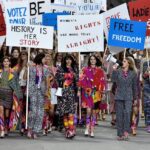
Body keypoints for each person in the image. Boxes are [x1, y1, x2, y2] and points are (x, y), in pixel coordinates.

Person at [78, 55, 106, 137]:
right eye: (91, 59)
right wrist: (79, 90)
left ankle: (92, 129)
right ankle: (87, 128)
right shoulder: (85, 69)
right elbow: (81, 80)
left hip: (97, 93)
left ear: (96, 60)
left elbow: (102, 82)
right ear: (89, 60)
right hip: (87, 93)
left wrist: (103, 93)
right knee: (88, 111)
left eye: (94, 59)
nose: (92, 60)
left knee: (94, 113)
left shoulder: (100, 70)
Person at [111, 57, 138, 140]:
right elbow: (113, 80)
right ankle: (120, 134)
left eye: (124, 61)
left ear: (128, 63)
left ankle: (126, 131)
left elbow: (134, 86)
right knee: (119, 115)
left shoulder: (133, 73)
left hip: (129, 96)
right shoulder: (118, 71)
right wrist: (114, 71)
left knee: (127, 113)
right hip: (119, 95)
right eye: (122, 61)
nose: (122, 62)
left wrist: (135, 98)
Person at [55, 55, 78, 139]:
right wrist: (67, 75)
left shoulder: (75, 69)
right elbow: (58, 78)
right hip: (63, 92)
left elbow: (78, 81)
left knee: (71, 111)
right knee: (64, 112)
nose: (68, 61)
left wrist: (75, 76)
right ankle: (67, 129)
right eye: (67, 59)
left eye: (70, 59)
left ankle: (71, 129)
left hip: (71, 92)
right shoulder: (60, 69)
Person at [27, 53, 49, 139]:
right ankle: (29, 129)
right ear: (40, 58)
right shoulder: (32, 68)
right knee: (33, 111)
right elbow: (27, 78)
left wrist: (47, 91)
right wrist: (27, 67)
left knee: (40, 112)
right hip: (33, 91)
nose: (45, 60)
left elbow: (47, 81)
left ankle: (36, 131)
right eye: (44, 58)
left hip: (41, 92)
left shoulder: (46, 69)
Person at [0, 57, 22, 138]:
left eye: (7, 61)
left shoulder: (13, 72)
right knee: (1, 110)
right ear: (2, 63)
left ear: (9, 63)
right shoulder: (0, 72)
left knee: (7, 113)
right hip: (1, 93)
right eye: (4, 61)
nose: (5, 63)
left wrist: (18, 95)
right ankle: (2, 130)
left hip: (9, 94)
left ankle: (6, 127)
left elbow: (16, 84)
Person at [142, 59, 150, 132]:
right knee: (148, 105)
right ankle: (148, 124)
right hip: (148, 86)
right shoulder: (146, 63)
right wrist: (147, 72)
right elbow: (143, 76)